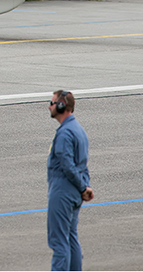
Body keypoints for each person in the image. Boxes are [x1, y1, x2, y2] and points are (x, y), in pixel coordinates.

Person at [47, 90, 94, 271]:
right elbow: (83, 163)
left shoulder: (65, 133)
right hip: (75, 192)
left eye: (51, 103)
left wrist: (83, 187)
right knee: (71, 237)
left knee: (59, 242)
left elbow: (67, 165)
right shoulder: (78, 130)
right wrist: (85, 186)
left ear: (61, 106)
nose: (49, 106)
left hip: (63, 191)